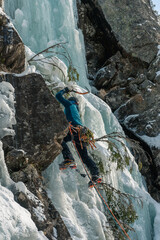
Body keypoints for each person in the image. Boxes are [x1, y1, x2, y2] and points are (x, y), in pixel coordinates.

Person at [56, 87, 101, 186]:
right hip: (81, 132)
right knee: (84, 156)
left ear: (72, 102)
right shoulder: (76, 112)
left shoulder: (69, 105)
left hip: (74, 129)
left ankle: (69, 158)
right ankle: (95, 174)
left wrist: (65, 90)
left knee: (59, 140)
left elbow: (58, 96)